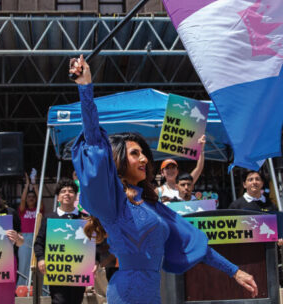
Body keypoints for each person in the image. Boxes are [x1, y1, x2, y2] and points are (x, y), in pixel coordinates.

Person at [69, 55, 257, 303]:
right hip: (127, 293)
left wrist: (234, 271)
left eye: (144, 154)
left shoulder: (153, 205)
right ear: (119, 163)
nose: (144, 159)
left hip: (152, 294)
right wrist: (85, 88)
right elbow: (94, 144)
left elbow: (194, 244)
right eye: (135, 154)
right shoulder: (114, 201)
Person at [34, 178, 93, 304]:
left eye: (71, 191)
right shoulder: (49, 218)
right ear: (58, 197)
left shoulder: (85, 219)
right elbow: (39, 242)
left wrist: (96, 260)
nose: (67, 194)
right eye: (63, 191)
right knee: (59, 301)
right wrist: (41, 259)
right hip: (57, 271)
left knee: (76, 301)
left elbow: (92, 242)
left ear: (76, 196)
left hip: (78, 272)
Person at [157, 134, 206, 202]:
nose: (170, 170)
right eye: (167, 168)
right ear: (162, 173)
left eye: (173, 167)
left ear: (177, 171)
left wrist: (201, 150)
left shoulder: (186, 183)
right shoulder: (159, 191)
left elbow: (199, 168)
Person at [17, 173, 42, 286]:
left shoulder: (39, 209)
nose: (31, 199)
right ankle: (22, 287)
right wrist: (27, 186)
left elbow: (40, 198)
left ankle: (42, 290)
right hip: (25, 237)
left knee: (40, 264)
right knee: (24, 264)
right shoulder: (22, 210)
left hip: (37, 237)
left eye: (33, 197)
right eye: (29, 197)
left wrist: (34, 185)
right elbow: (22, 200)